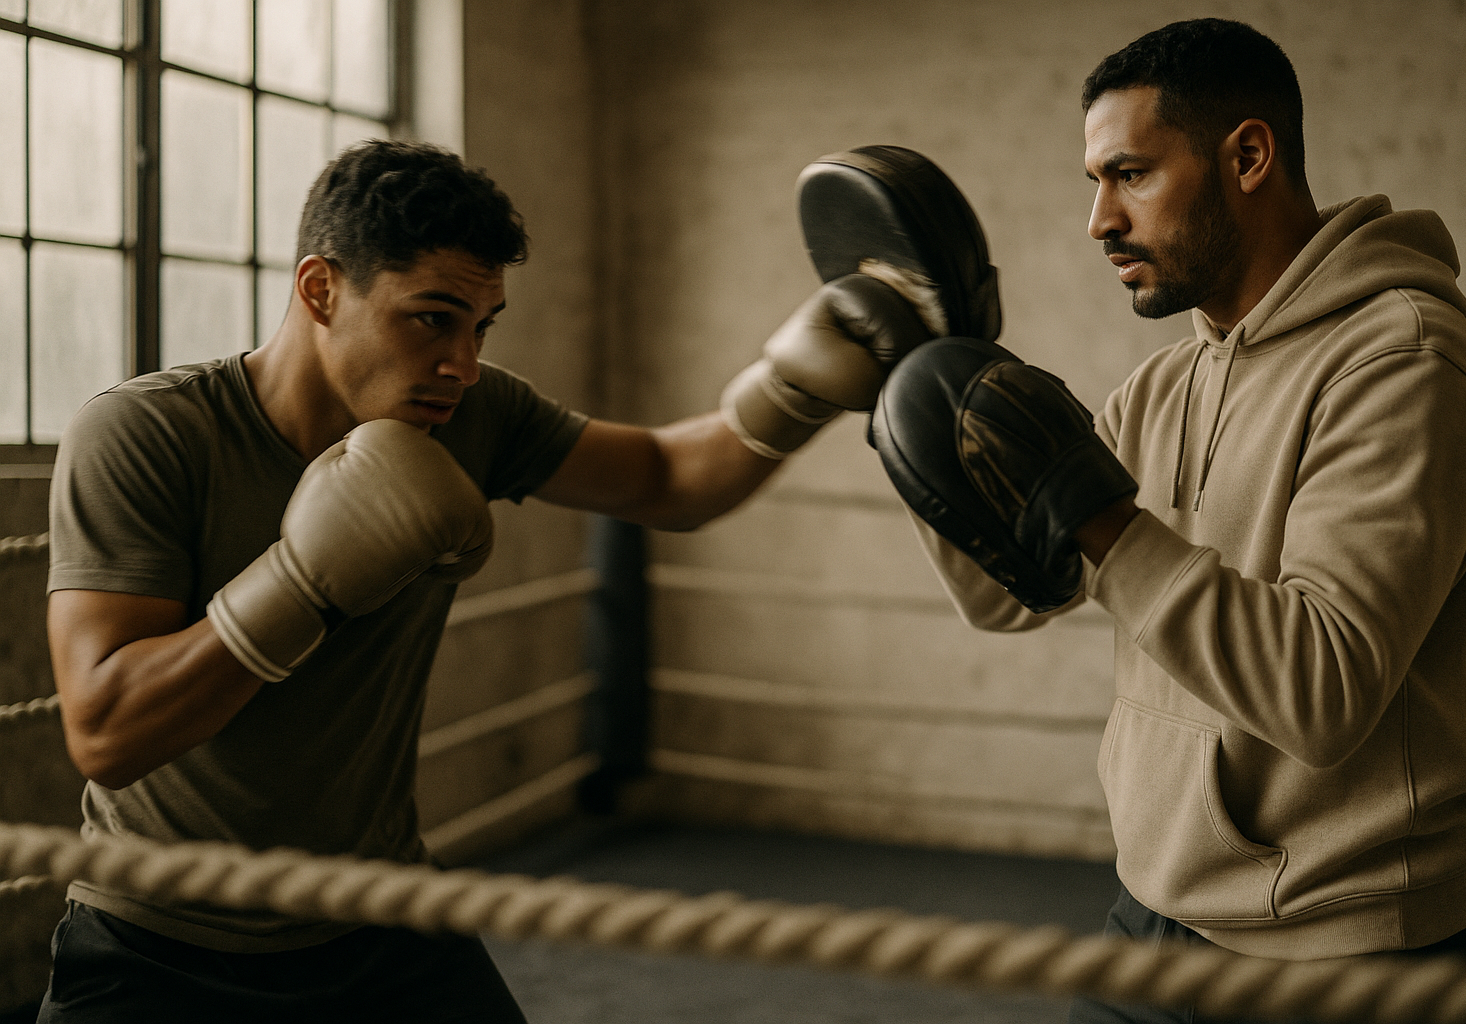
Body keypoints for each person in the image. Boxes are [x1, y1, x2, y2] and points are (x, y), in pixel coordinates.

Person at [39, 140, 943, 1022]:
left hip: (380, 917)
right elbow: (107, 732)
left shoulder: (467, 412)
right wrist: (303, 580)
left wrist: (795, 385)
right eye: (431, 318)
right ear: (322, 289)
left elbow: (668, 479)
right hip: (160, 939)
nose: (462, 364)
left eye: (481, 328)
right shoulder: (146, 435)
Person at [881, 19, 1466, 1023]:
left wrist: (1094, 516)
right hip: (1157, 911)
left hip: (1346, 952)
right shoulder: (1166, 384)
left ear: (1249, 156)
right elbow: (1017, 593)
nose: (1098, 219)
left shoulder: (1405, 367)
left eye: (1129, 173)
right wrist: (907, 412)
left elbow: (1323, 689)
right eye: (1094, 181)